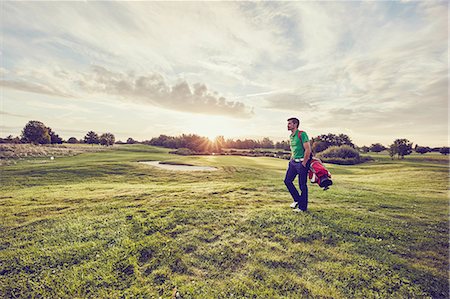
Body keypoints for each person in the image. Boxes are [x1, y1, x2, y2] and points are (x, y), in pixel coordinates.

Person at [284, 117, 312, 212]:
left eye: (290, 123)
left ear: (295, 124)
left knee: (302, 185)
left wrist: (304, 163)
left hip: (301, 163)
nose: (288, 125)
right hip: (293, 162)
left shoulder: (302, 134)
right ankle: (297, 200)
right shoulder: (291, 136)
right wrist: (291, 159)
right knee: (287, 181)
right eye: (288, 124)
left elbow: (308, 149)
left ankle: (302, 208)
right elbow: (294, 150)